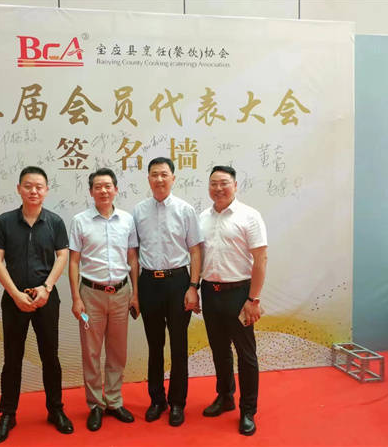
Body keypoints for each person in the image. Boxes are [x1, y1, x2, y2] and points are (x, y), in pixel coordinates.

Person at [0, 166, 73, 444]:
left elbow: (62, 257)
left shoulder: (55, 222)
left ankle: (55, 409)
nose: (33, 191)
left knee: (51, 356)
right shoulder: (4, 222)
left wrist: (46, 288)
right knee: (12, 358)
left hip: (46, 298)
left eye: (39, 186)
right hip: (14, 299)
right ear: (19, 189)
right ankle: (8, 414)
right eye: (28, 186)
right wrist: (15, 294)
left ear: (46, 190)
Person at [132, 157, 203, 427]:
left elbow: (195, 251)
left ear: (173, 178)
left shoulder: (185, 210)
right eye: (154, 174)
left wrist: (193, 286)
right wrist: (135, 293)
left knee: (179, 345)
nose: (159, 179)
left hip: (178, 283)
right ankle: (156, 400)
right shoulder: (138, 211)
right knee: (154, 345)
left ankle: (177, 403)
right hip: (149, 283)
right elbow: (134, 254)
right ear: (148, 179)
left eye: (164, 174)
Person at [68, 168, 139, 431]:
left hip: (121, 294)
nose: (103, 191)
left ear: (116, 189)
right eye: (98, 187)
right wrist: (76, 298)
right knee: (91, 351)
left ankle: (114, 401)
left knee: (117, 351)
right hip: (90, 296)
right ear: (91, 192)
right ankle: (95, 405)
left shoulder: (127, 220)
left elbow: (133, 259)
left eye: (108, 186)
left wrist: (135, 294)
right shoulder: (80, 221)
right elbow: (73, 262)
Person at [199, 165, 268, 436]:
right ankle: (225, 396)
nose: (218, 188)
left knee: (246, 354)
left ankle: (248, 410)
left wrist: (254, 299)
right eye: (213, 183)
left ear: (235, 185)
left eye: (224, 183)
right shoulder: (202, 218)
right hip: (210, 292)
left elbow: (261, 259)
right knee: (219, 349)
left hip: (239, 294)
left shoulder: (249, 216)